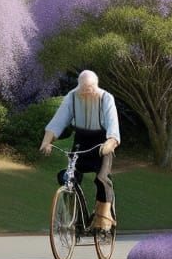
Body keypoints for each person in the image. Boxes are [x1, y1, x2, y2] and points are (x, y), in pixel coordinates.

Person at [40, 70, 120, 231]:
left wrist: (110, 143)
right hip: (81, 141)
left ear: (95, 85)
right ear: (78, 85)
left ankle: (104, 217)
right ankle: (75, 218)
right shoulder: (72, 97)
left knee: (101, 178)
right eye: (83, 88)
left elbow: (113, 125)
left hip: (101, 142)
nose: (86, 92)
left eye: (89, 88)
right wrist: (46, 142)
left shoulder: (106, 98)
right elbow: (58, 120)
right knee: (68, 177)